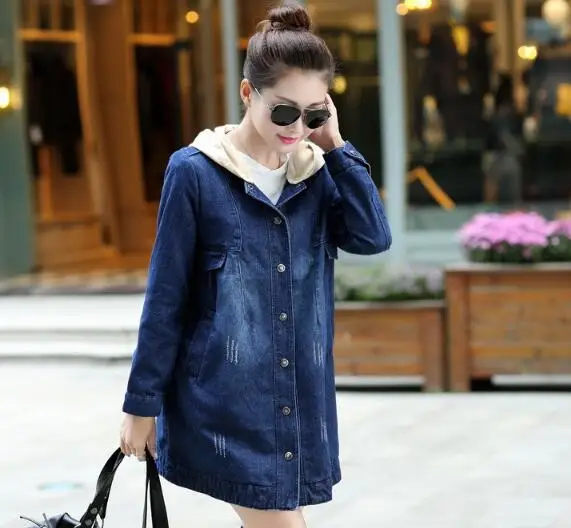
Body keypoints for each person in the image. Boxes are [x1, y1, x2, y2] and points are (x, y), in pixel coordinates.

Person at [119, 2, 391, 527]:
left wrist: (335, 145)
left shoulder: (316, 174)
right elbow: (167, 296)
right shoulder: (195, 172)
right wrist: (141, 404)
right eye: (284, 112)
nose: (297, 128)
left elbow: (372, 236)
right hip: (223, 403)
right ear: (248, 93)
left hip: (298, 406)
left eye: (313, 114)